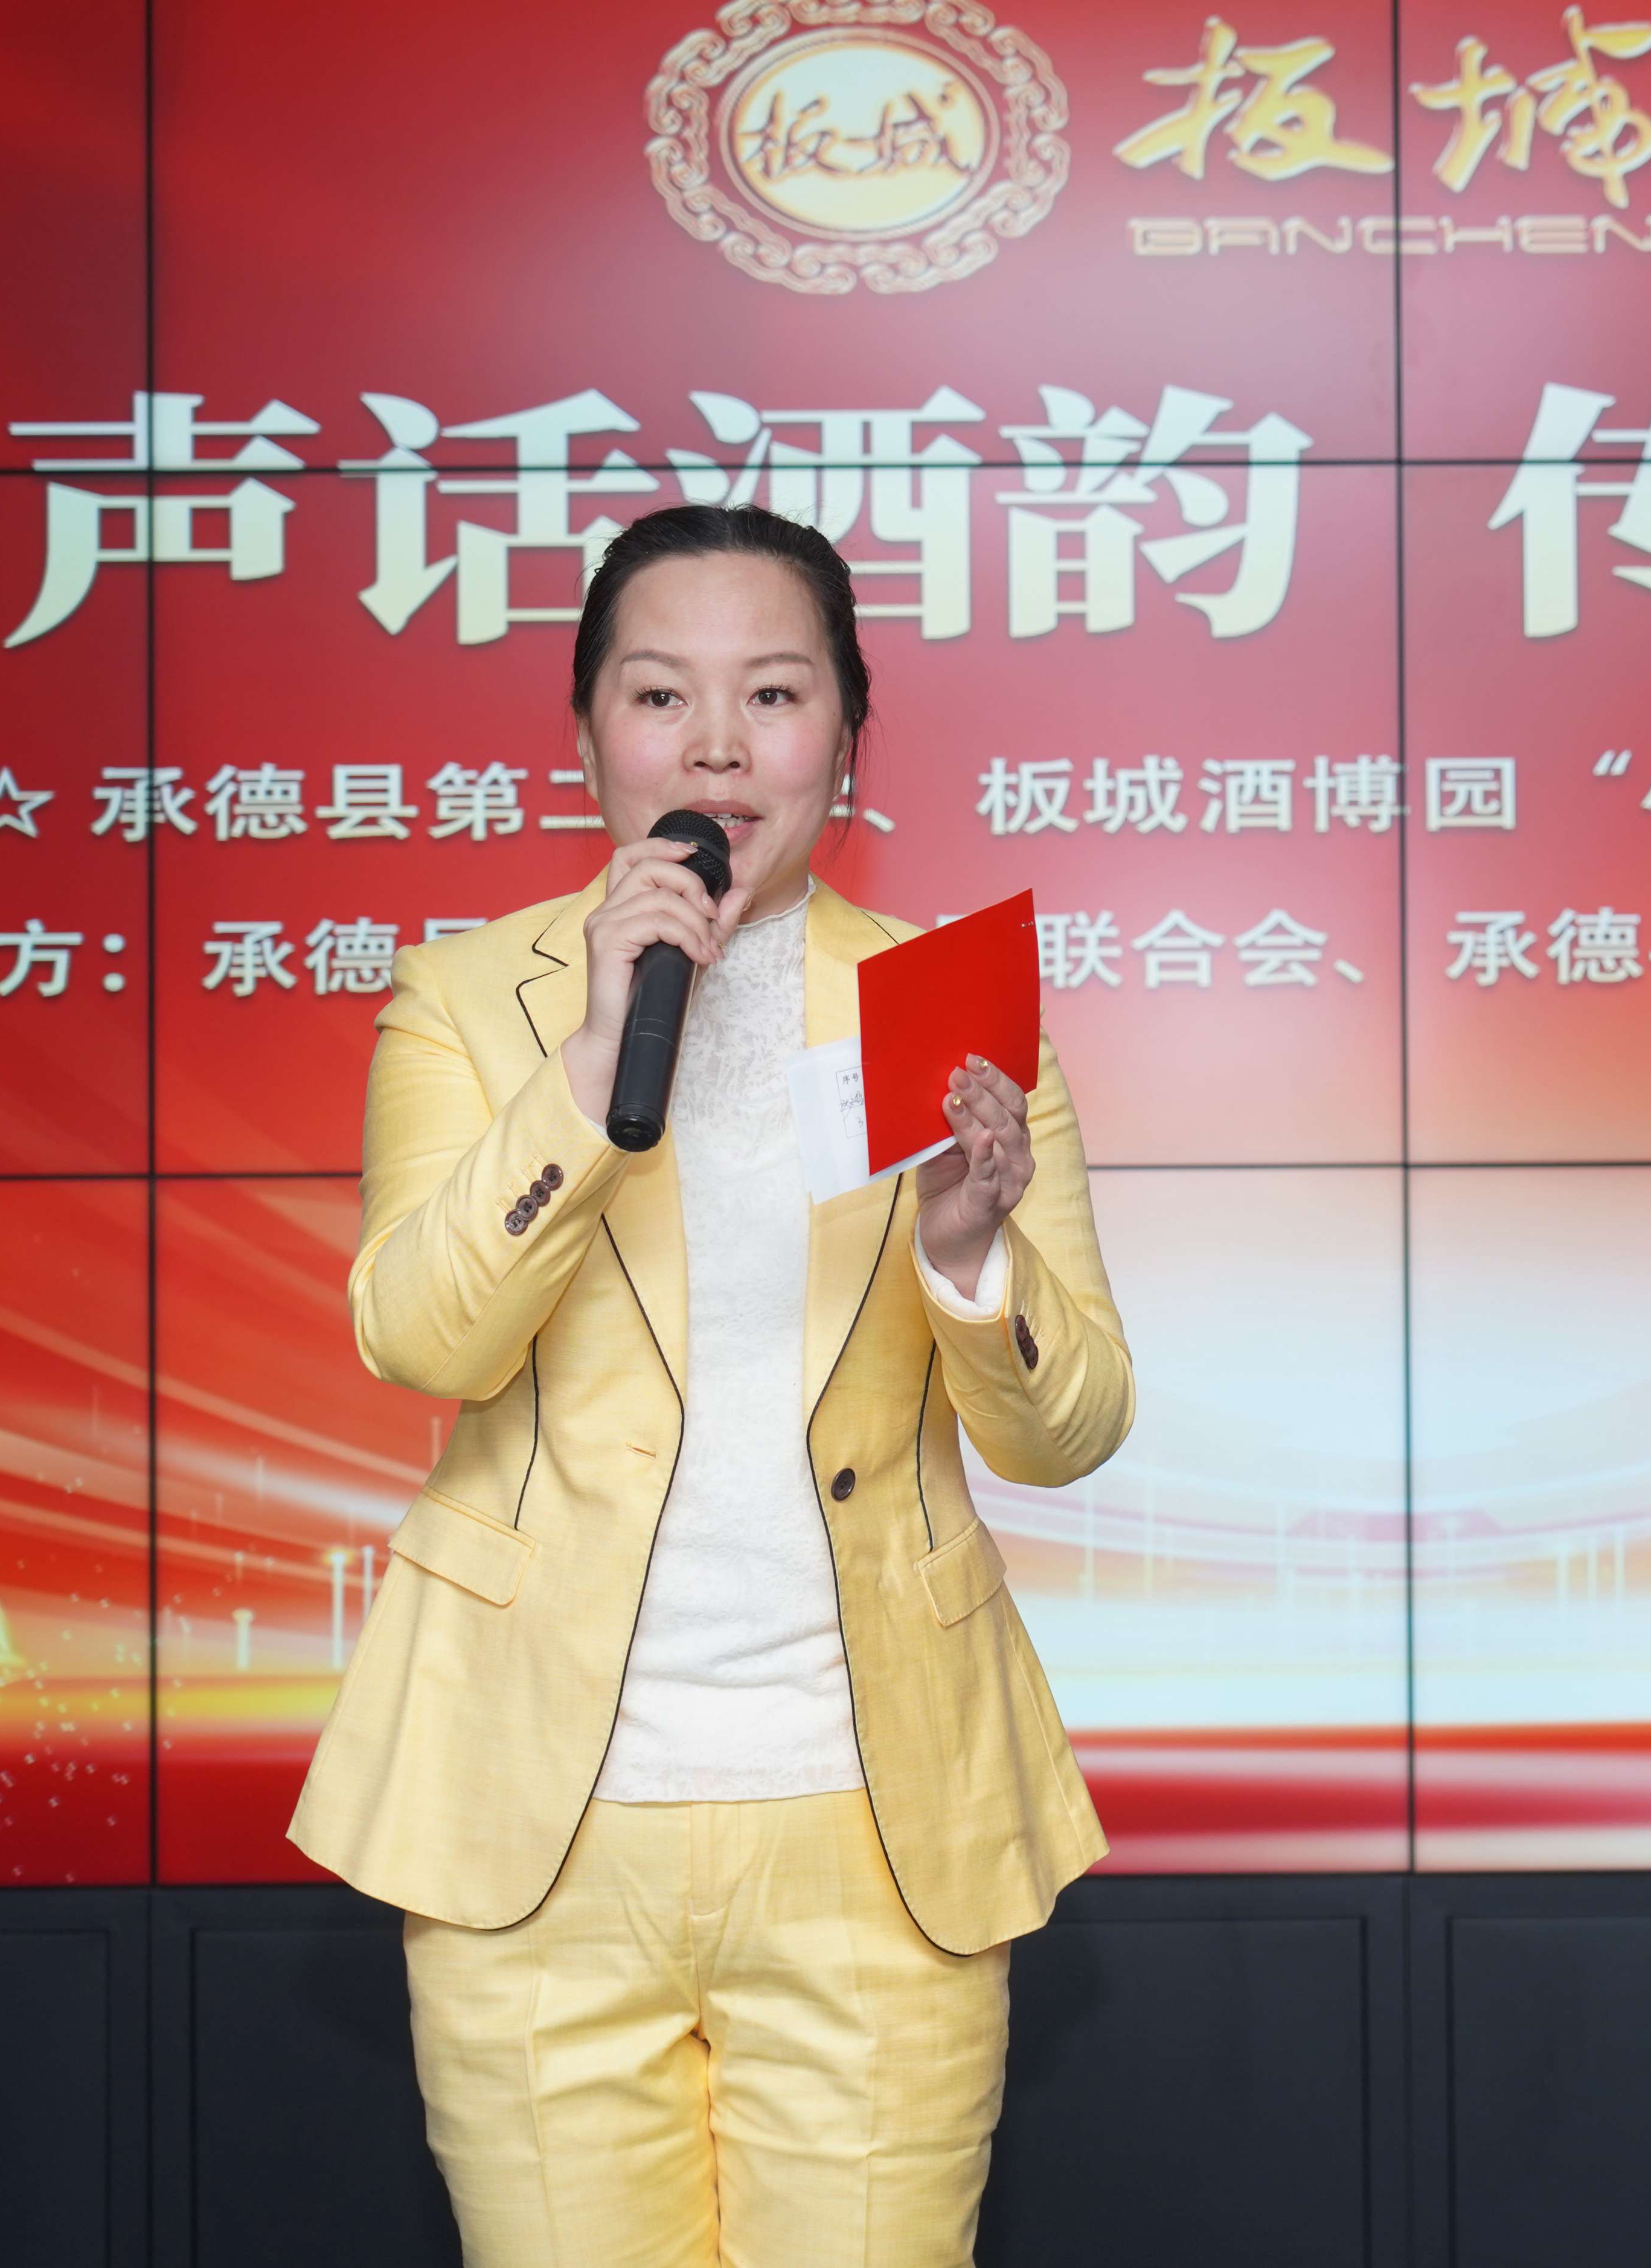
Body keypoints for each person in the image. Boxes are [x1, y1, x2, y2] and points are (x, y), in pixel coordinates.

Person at [289, 502, 1132, 2267]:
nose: (719, 749)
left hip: (875, 1818)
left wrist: (968, 1254)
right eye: (662, 694)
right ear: (589, 729)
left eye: (776, 693)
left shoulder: (949, 1010)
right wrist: (594, 1060)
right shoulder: (469, 1001)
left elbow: (1070, 1430)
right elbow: (424, 1340)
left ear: (850, 734)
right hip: (535, 1819)